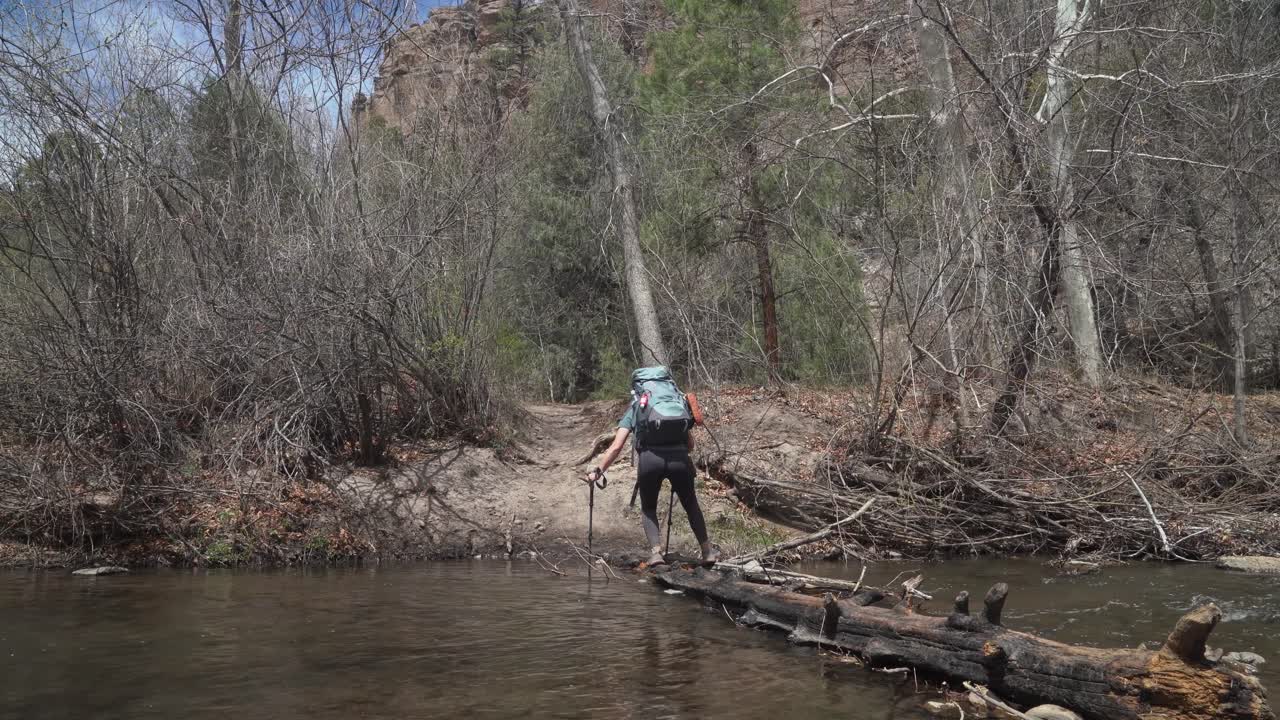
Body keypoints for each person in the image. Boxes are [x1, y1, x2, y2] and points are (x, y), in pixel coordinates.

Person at [584, 386, 719, 567]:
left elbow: (616, 447)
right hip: (679, 460)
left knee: (649, 508)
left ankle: (656, 554)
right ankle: (707, 552)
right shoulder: (676, 405)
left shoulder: (637, 408)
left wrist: (598, 471)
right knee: (691, 505)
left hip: (650, 461)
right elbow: (690, 445)